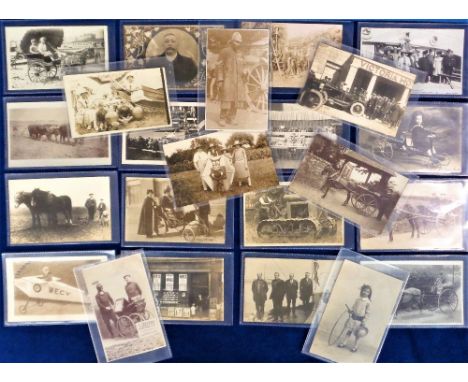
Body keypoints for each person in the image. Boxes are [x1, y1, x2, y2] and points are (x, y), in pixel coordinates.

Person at [216, 32, 246, 127]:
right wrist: (220, 80)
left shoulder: (241, 53)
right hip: (227, 80)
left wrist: (246, 71)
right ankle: (222, 118)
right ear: (232, 41)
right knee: (226, 99)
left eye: (240, 42)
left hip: (238, 81)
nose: (238, 44)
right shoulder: (224, 51)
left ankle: (231, 118)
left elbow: (244, 65)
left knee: (236, 101)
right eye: (237, 42)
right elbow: (219, 66)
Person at [338, 284, 372, 353]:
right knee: (349, 331)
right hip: (353, 318)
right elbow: (353, 307)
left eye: (367, 292)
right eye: (364, 291)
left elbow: (367, 313)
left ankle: (355, 347)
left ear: (369, 294)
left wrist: (364, 321)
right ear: (362, 291)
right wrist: (351, 310)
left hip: (359, 320)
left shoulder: (368, 302)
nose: (365, 292)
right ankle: (344, 343)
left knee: (357, 334)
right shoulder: (357, 299)